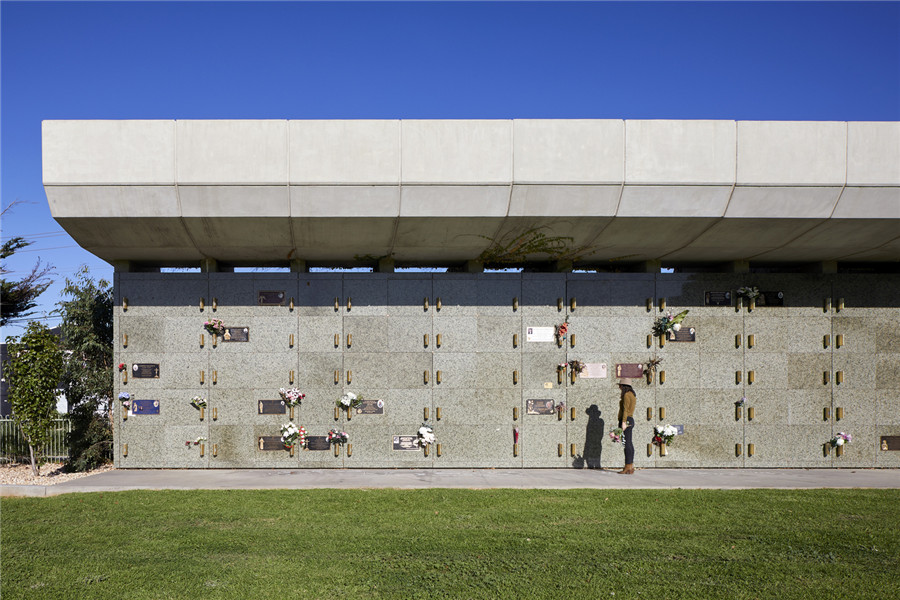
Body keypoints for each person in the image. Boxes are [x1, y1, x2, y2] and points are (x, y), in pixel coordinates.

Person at [617, 378, 636, 475]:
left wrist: (623, 422)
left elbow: (625, 410)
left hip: (627, 420)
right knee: (629, 443)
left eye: (620, 385)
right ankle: (630, 466)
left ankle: (628, 467)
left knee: (627, 444)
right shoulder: (632, 395)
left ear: (623, 386)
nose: (619, 387)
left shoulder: (626, 395)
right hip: (630, 420)